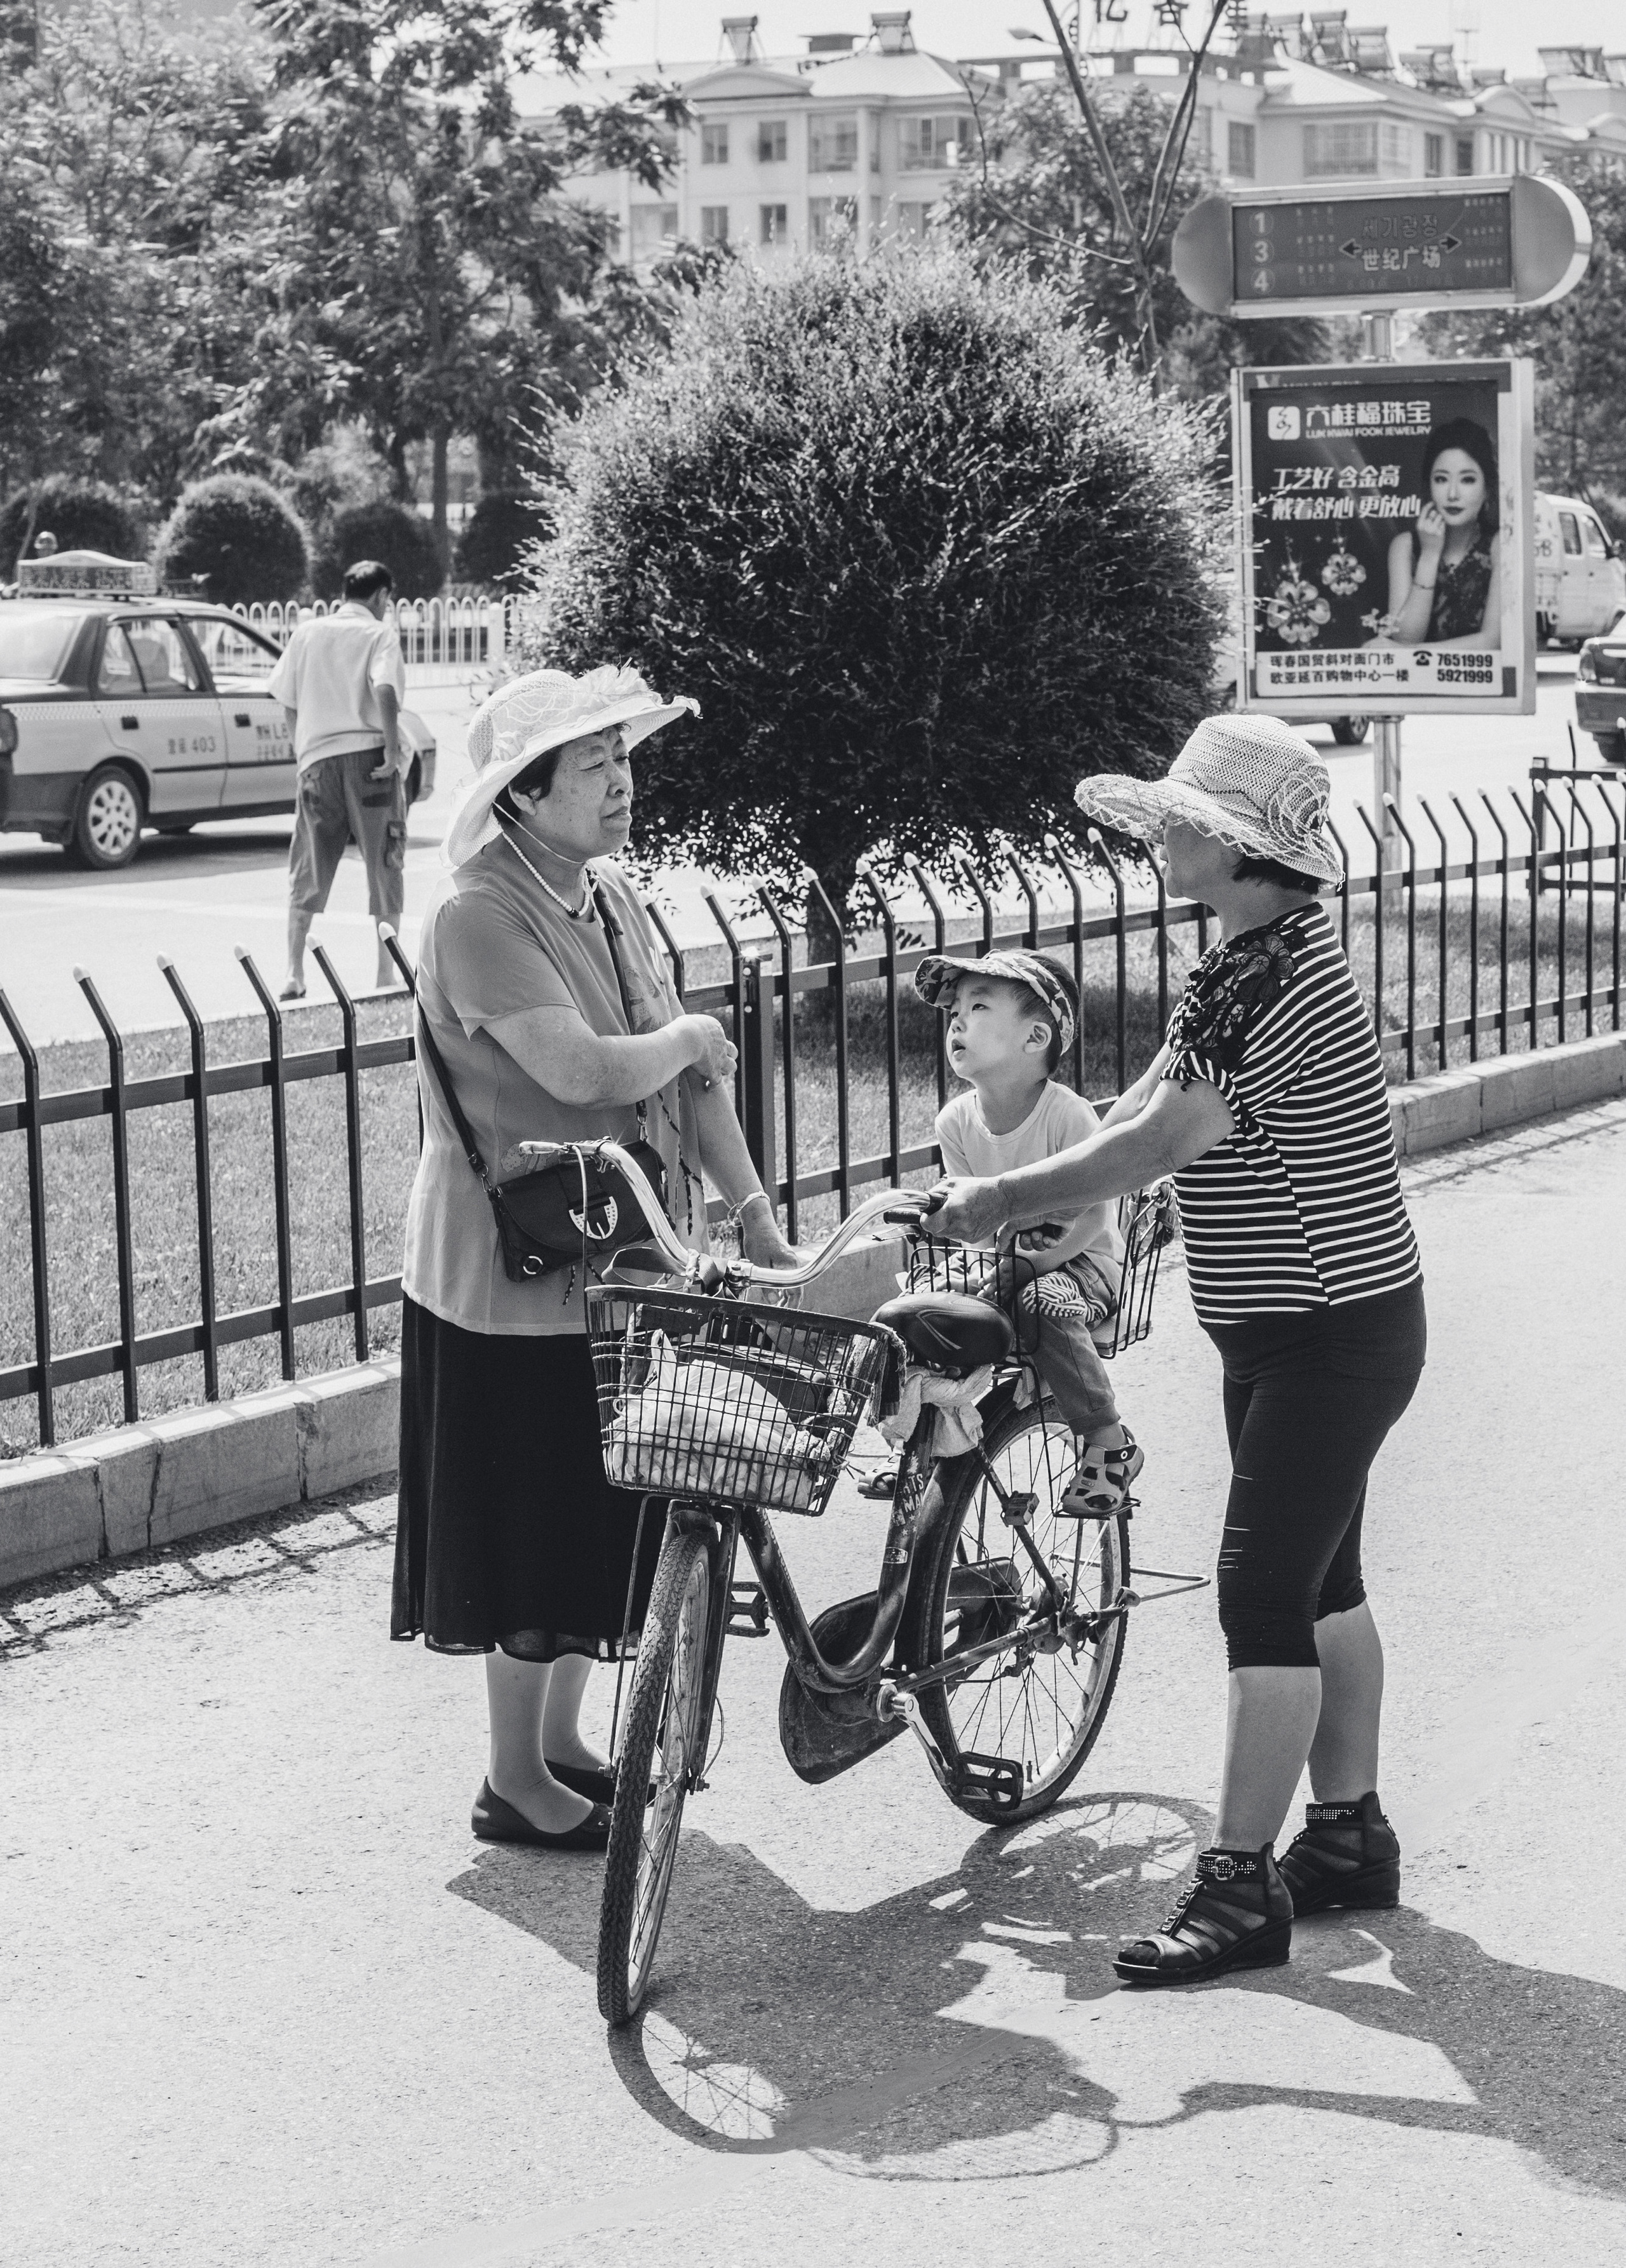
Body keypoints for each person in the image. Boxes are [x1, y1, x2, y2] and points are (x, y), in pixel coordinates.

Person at [931, 714, 1425, 1987]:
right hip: (1298, 1326)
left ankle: (1236, 1886)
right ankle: (1345, 1837)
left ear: (1231, 845)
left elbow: (1160, 1142)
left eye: (1177, 824)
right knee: (1320, 1584)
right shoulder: (1245, 958)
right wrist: (1043, 1181)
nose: (1158, 838)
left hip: (1327, 1333)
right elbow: (1151, 1099)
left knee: (1260, 1593)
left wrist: (997, 1197)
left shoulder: (1277, 979)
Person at [391, 664, 796, 1851]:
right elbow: (581, 1071)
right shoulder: (479, 915)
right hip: (505, 1279)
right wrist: (687, 1034)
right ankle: (514, 1778)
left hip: (617, 1257)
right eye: (592, 766)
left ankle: (563, 1747)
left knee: (590, 1511)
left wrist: (757, 1215)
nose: (622, 782)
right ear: (521, 796)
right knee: (527, 1525)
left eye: (624, 759)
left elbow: (688, 1078)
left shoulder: (606, 896)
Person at [913, 950, 1139, 1516]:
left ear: (1035, 1037)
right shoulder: (955, 1122)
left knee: (1041, 1300)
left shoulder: (1068, 1116)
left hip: (1083, 1262)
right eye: (955, 1011)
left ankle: (1110, 1440)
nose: (957, 1021)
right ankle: (919, 1444)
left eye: (978, 1006)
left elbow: (1095, 1213)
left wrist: (1043, 1260)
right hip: (1008, 1259)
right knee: (920, 1307)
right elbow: (973, 1220)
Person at [265, 559, 408, 999]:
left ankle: (293, 971)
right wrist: (391, 745)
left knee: (308, 860)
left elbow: (286, 700)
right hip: (369, 759)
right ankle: (385, 972)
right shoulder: (379, 634)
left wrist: (303, 751)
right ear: (382, 596)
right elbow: (384, 689)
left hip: (318, 761)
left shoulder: (307, 633)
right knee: (384, 859)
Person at [1378, 417, 1500, 649]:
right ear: (1429, 486)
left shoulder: (1499, 545)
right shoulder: (1404, 547)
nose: (1452, 494)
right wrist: (1430, 554)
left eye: (1468, 480)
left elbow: (1491, 641)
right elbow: (1405, 638)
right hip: (1416, 685)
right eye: (1441, 479)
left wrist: (1404, 653)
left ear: (1487, 489)